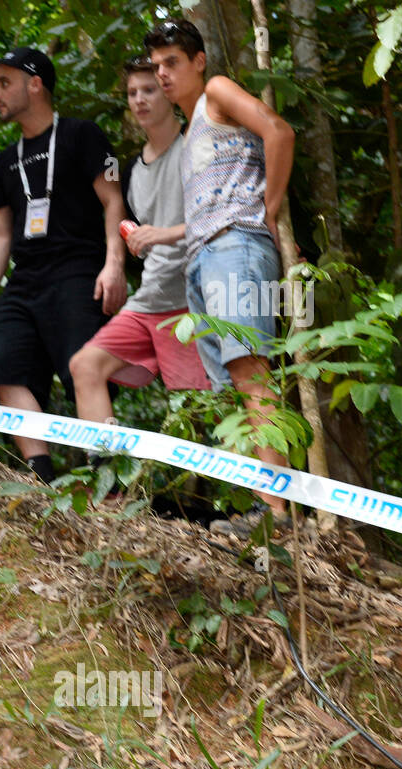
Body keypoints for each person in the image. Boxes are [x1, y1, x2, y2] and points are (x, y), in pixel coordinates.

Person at [145, 19, 296, 535]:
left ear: (199, 61)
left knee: (250, 372)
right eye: (156, 65)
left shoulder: (216, 92)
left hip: (237, 244)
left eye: (172, 63)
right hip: (203, 257)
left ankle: (275, 511)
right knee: (231, 383)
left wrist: (269, 209)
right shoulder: (189, 136)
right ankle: (260, 505)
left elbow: (278, 130)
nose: (163, 75)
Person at [0, 48, 127, 483]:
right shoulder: (5, 159)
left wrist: (114, 265)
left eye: (4, 82)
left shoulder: (82, 135)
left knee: (84, 372)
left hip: (78, 271)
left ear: (35, 84)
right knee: (5, 367)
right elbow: (0, 233)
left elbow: (114, 200)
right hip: (25, 277)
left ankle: (106, 482)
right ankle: (41, 477)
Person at [69, 55, 210, 431]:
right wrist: (116, 259)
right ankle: (110, 485)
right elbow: (119, 217)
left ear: (168, 92)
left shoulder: (198, 144)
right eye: (132, 93)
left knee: (200, 412)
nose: (139, 100)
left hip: (192, 303)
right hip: (149, 299)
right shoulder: (129, 169)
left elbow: (224, 216)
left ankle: (238, 491)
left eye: (149, 90)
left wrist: (166, 233)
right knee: (85, 365)